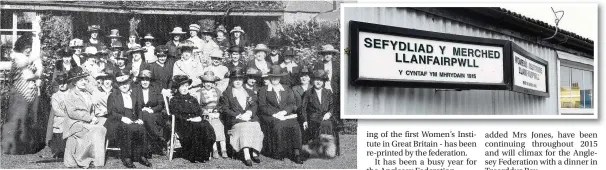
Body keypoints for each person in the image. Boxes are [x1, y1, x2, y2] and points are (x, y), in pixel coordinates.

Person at [1, 33, 44, 155]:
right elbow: (25, 66)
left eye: (29, 47)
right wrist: (36, 59)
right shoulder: (17, 59)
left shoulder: (32, 59)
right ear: (20, 48)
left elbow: (38, 73)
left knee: (30, 120)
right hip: (19, 93)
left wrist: (35, 75)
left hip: (32, 92)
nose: (28, 49)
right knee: (17, 119)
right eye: (26, 47)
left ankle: (27, 147)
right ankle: (11, 147)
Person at [258, 65, 304, 164]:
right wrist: (275, 114)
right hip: (270, 115)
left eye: (277, 76)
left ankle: (296, 153)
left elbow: (291, 103)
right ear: (269, 77)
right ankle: (280, 152)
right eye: (273, 76)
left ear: (280, 77)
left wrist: (284, 112)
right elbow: (262, 106)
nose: (275, 79)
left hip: (284, 114)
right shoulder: (263, 89)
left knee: (294, 124)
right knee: (279, 124)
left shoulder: (286, 88)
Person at [62, 67, 107, 168]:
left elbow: (91, 109)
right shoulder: (70, 94)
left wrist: (98, 113)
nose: (83, 82)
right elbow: (72, 113)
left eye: (85, 80)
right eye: (80, 80)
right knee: (98, 129)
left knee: (104, 124)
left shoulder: (87, 93)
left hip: (86, 122)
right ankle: (89, 160)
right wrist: (90, 118)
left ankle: (97, 161)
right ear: (74, 82)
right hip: (74, 124)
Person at [106, 71, 152, 168]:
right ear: (117, 85)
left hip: (131, 120)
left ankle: (141, 155)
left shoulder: (133, 95)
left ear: (129, 83)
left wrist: (140, 118)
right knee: (127, 128)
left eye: (126, 83)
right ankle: (127, 157)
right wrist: (122, 118)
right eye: (121, 84)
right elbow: (111, 112)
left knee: (142, 127)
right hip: (117, 121)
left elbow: (138, 109)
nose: (124, 86)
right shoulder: (113, 96)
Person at [219, 68, 264, 166]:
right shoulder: (227, 93)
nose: (237, 82)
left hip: (249, 117)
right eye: (235, 79)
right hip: (235, 119)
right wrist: (238, 115)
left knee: (256, 125)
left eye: (239, 79)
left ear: (243, 80)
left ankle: (255, 152)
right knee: (244, 128)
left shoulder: (248, 91)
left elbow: (254, 104)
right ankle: (247, 154)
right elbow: (225, 109)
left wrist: (249, 113)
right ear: (231, 80)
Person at [169, 75, 216, 163]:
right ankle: (195, 155)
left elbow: (199, 111)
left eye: (186, 86)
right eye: (182, 86)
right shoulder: (174, 100)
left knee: (206, 125)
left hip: (195, 121)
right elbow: (176, 114)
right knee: (197, 126)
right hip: (183, 124)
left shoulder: (192, 99)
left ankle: (203, 153)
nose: (184, 88)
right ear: (178, 87)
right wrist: (189, 119)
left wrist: (198, 117)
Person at [134, 70, 167, 155]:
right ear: (140, 81)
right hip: (140, 115)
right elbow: (134, 106)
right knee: (144, 115)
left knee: (146, 115)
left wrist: (151, 110)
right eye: (143, 80)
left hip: (155, 115)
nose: (145, 82)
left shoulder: (156, 90)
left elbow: (160, 105)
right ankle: (158, 137)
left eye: (147, 80)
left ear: (150, 81)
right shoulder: (135, 90)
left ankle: (150, 146)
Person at [300, 70, 337, 147]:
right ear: (313, 80)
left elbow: (332, 106)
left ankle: (328, 148)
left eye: (321, 80)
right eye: (317, 80)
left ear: (323, 82)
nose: (318, 82)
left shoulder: (328, 92)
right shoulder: (308, 92)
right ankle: (319, 147)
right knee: (322, 124)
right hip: (313, 117)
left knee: (328, 123)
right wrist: (305, 120)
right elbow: (303, 108)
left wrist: (329, 113)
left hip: (326, 116)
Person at [197, 72, 227, 159]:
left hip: (216, 114)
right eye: (206, 82)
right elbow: (198, 106)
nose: (208, 84)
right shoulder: (199, 92)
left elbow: (221, 104)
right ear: (203, 83)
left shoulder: (217, 91)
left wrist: (218, 112)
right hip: (205, 115)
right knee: (212, 126)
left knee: (219, 125)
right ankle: (214, 150)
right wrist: (206, 112)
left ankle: (223, 149)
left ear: (213, 83)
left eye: (210, 82)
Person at [46, 73, 69, 159]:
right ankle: (59, 151)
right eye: (60, 83)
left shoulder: (71, 94)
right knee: (59, 129)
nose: (62, 85)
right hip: (61, 118)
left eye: (64, 83)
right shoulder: (55, 96)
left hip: (71, 118)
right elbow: (56, 110)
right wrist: (66, 114)